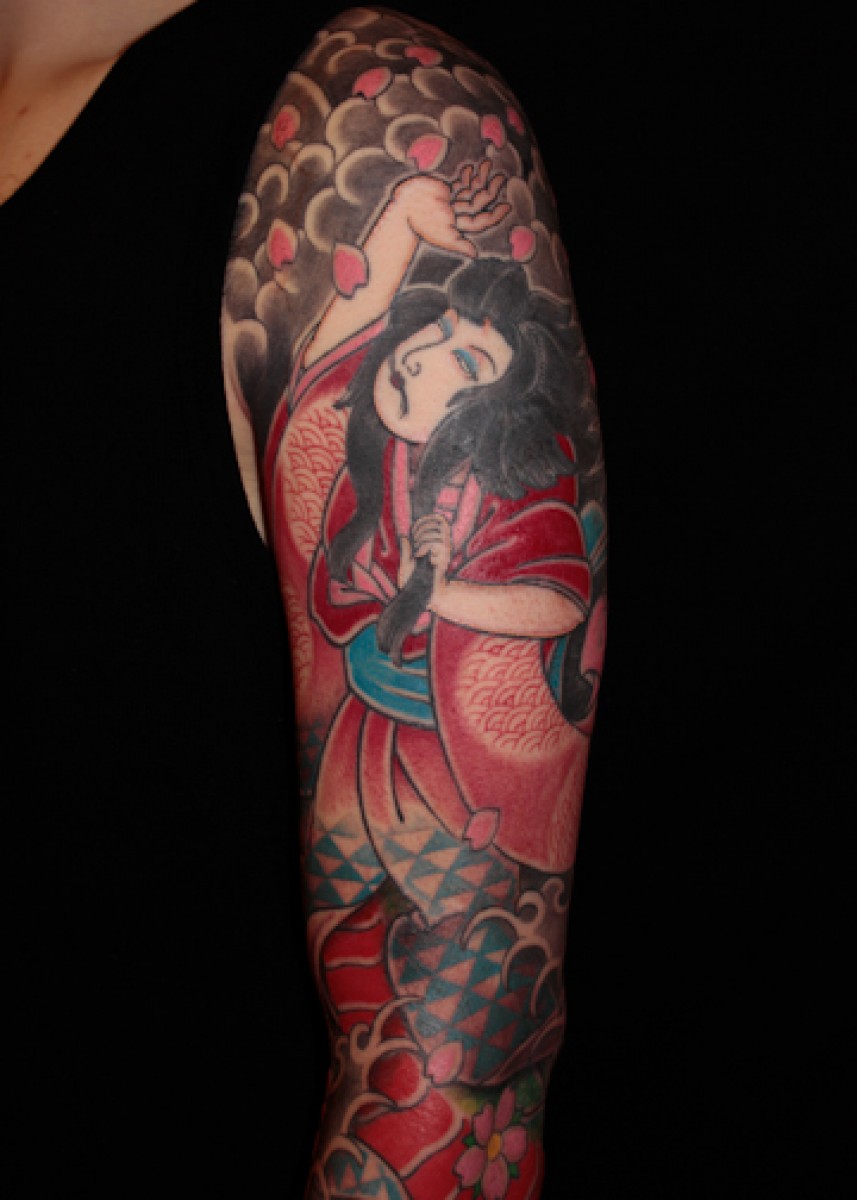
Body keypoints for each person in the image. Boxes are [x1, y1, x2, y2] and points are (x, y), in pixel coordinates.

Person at [3, 2, 606, 1194]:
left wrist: (444, 589)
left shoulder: (369, 109)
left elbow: (453, 1086)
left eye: (462, 364)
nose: (424, 361)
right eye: (434, 343)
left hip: (412, 798)